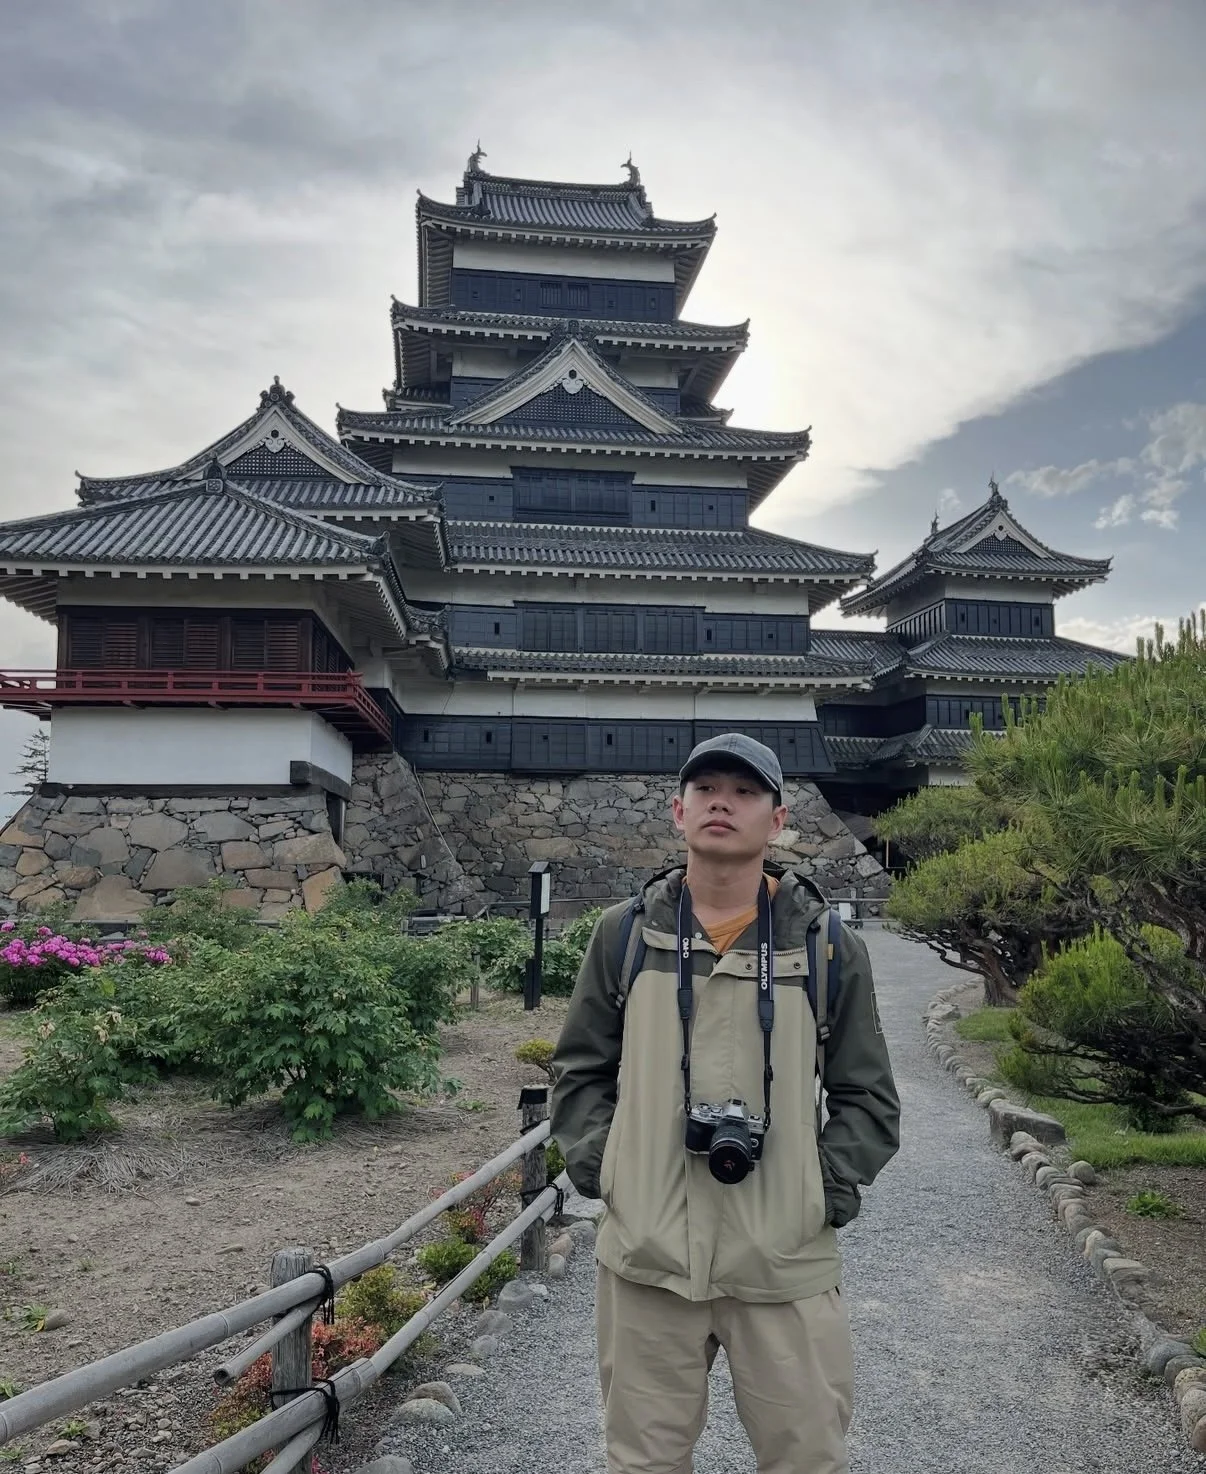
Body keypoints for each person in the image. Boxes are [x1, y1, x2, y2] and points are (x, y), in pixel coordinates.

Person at [551, 733, 900, 1474]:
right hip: (648, 1260)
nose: (722, 803)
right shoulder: (625, 936)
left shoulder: (826, 947)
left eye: (745, 792)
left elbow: (867, 1097)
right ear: (678, 812)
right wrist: (608, 1172)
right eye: (707, 789)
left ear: (778, 821)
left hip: (784, 1263)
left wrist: (820, 1195)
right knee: (643, 1461)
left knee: (805, 1455)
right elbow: (579, 1072)